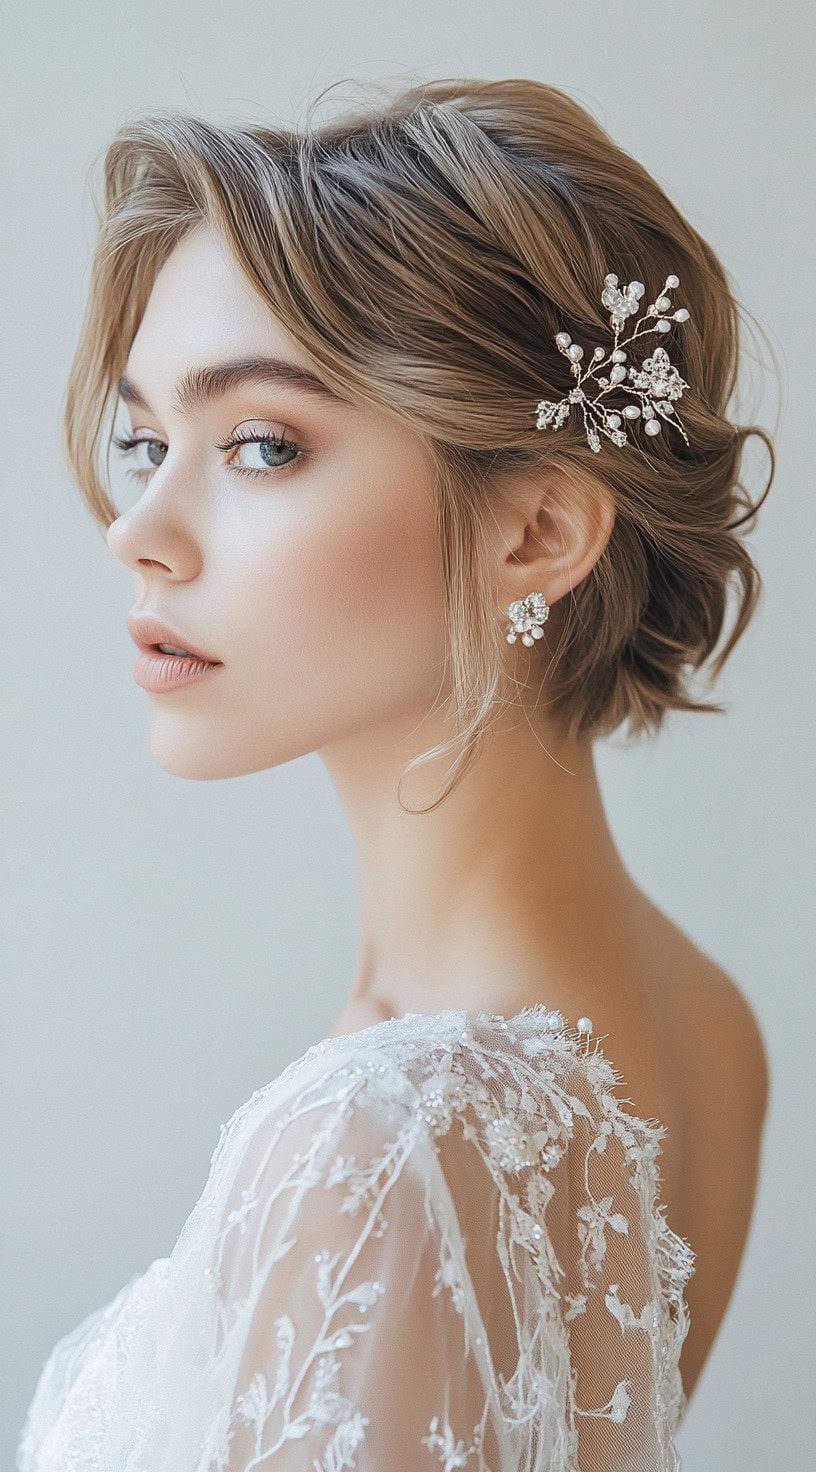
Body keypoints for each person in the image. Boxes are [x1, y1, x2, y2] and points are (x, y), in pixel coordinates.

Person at [17, 75, 775, 1470]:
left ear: (540, 532)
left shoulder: (388, 1133)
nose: (141, 528)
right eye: (144, 441)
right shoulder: (706, 1020)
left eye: (258, 444)